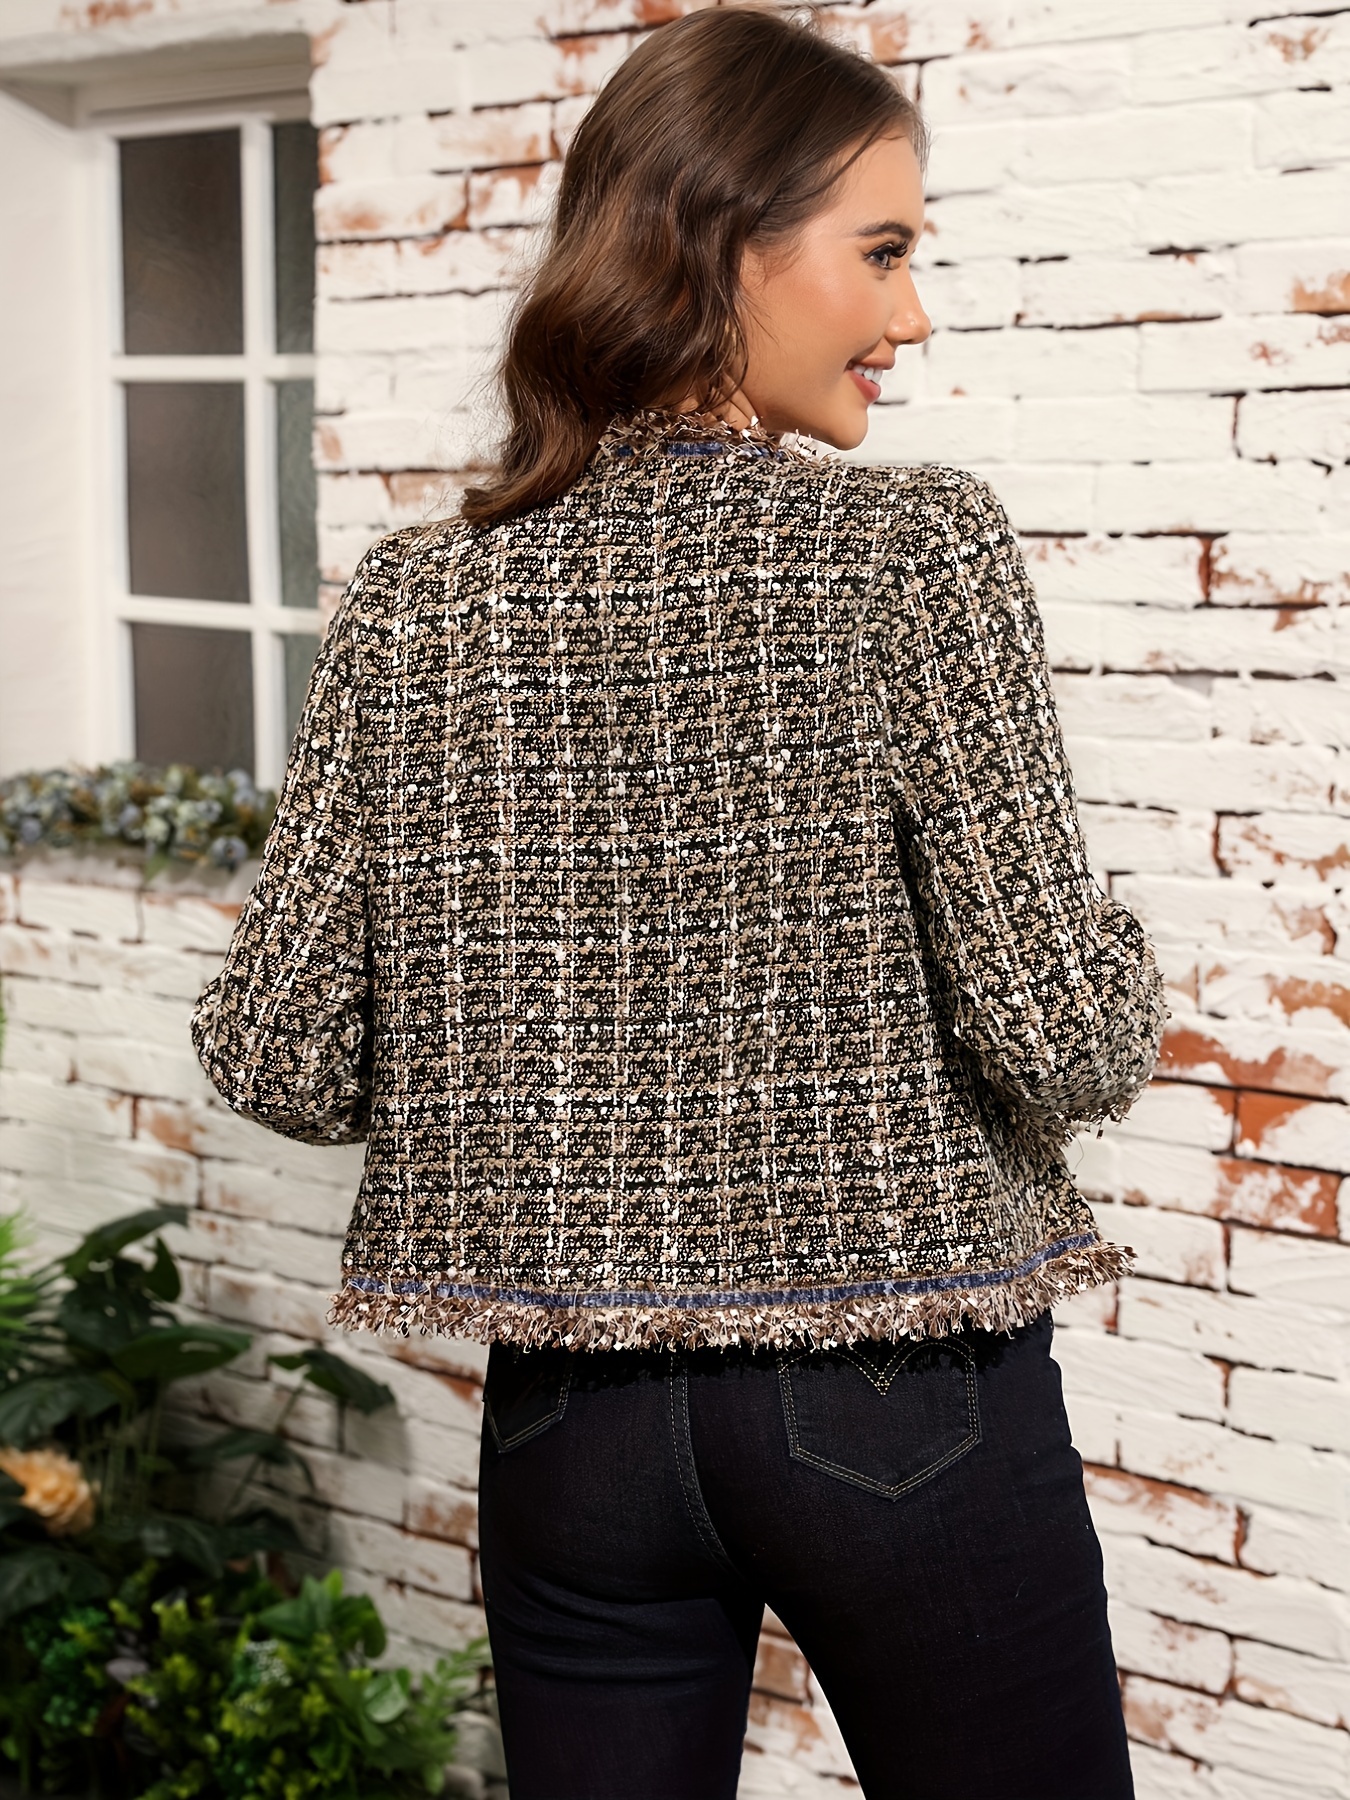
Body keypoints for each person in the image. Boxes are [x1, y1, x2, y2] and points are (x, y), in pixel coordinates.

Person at [190, 8, 1166, 1797]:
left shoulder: (419, 601)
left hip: (572, 1422)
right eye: (883, 252)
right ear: (722, 243)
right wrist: (1114, 942)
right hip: (900, 1383)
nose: (911, 317)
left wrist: (529, 1024)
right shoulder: (910, 550)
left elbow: (279, 1056)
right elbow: (1061, 1035)